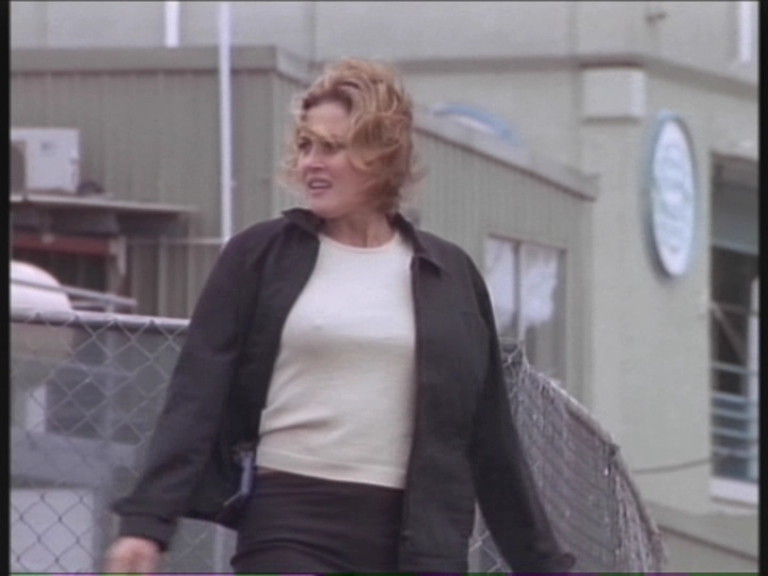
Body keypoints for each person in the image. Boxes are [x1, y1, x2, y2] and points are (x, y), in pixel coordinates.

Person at [104, 58, 575, 574]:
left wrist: (544, 566)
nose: (311, 163)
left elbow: (491, 437)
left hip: (418, 542)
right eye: (306, 145)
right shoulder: (258, 257)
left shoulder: (451, 275)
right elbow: (195, 397)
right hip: (289, 526)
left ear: (381, 155)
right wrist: (147, 523)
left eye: (332, 147)